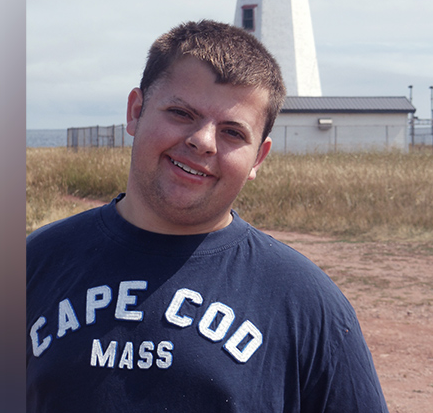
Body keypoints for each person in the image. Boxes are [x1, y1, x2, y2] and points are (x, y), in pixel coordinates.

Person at [27, 20, 390, 412]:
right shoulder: (32, 265)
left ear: (258, 158)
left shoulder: (305, 304)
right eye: (181, 113)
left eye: (233, 133)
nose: (202, 141)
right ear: (136, 111)